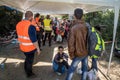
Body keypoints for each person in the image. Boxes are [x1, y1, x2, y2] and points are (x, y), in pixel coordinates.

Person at [16, 11, 40, 78]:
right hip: (29, 48)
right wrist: (38, 49)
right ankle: (29, 73)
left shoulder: (18, 24)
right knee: (30, 61)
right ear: (31, 17)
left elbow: (19, 35)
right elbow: (34, 41)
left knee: (27, 58)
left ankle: (26, 69)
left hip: (22, 47)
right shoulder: (31, 26)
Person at [66, 8, 88, 80]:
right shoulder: (87, 25)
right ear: (82, 16)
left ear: (74, 16)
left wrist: (71, 55)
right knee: (85, 69)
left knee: (71, 70)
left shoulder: (73, 28)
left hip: (78, 53)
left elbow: (71, 44)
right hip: (86, 52)